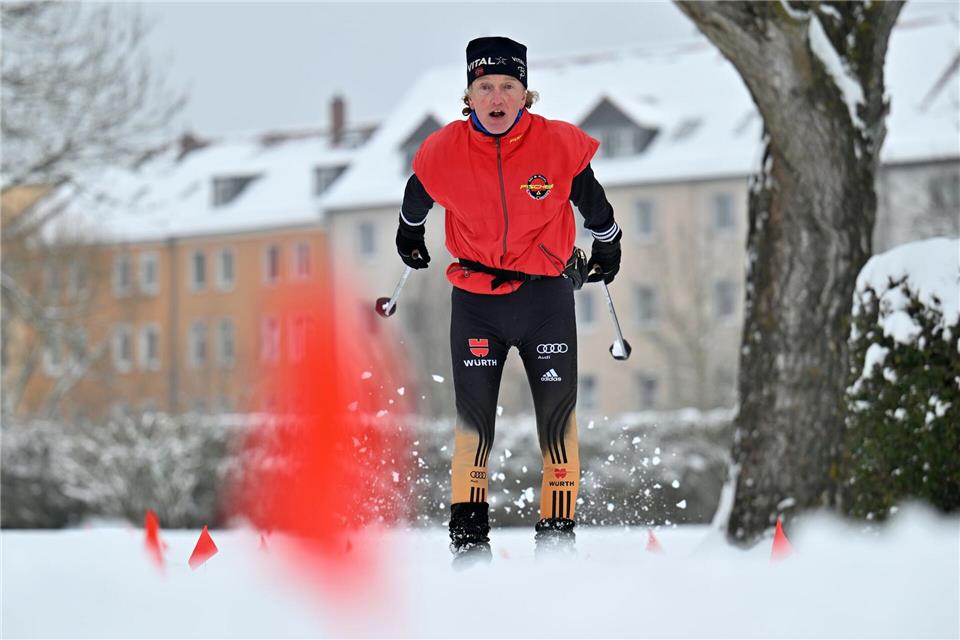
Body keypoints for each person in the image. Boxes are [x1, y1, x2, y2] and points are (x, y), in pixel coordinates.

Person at [395, 36, 622, 564]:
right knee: (474, 421)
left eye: (508, 86)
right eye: (485, 86)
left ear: (526, 94)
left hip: (546, 299)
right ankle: (469, 546)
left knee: (558, 420)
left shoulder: (557, 144)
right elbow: (417, 193)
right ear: (469, 95)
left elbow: (592, 201)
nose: (496, 97)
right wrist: (409, 235)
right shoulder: (443, 148)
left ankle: (557, 540)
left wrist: (608, 242)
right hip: (476, 300)